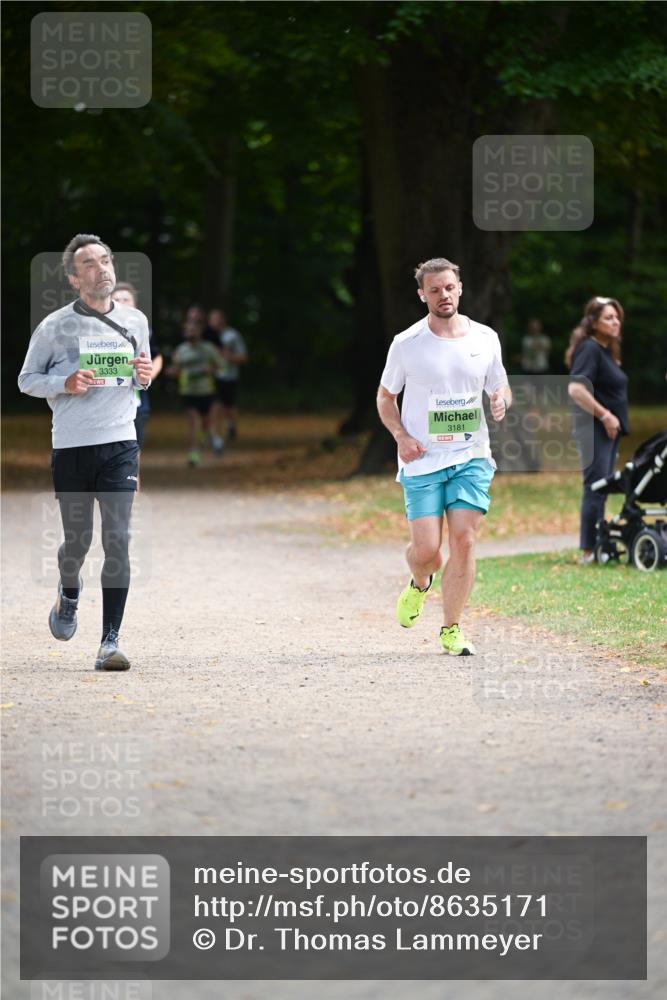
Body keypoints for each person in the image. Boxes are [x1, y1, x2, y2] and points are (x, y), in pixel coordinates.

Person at [18, 234, 152, 671]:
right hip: (72, 447)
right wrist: (65, 383)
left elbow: (138, 375)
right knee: (78, 541)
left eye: (106, 260)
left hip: (119, 442)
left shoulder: (135, 321)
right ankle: (69, 591)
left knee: (118, 539)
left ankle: (109, 642)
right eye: (90, 264)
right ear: (75, 279)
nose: (102, 268)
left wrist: (144, 376)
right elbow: (26, 379)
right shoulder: (54, 327)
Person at [377, 257, 512, 656]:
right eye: (434, 290)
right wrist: (400, 435)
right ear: (422, 295)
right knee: (427, 553)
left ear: (460, 287)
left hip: (471, 455)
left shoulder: (485, 337)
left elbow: (500, 386)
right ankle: (420, 583)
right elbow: (386, 397)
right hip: (422, 459)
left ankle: (451, 628)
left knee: (465, 540)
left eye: (449, 287)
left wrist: (501, 400)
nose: (443, 295)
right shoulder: (407, 344)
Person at [566, 296, 629, 564]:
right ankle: (588, 551)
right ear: (593, 322)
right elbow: (576, 388)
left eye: (616, 317)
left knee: (601, 486)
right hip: (594, 428)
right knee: (595, 486)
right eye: (608, 318)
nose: (615, 322)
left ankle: (598, 545)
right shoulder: (590, 349)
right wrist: (605, 415)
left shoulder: (606, 350)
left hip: (607, 431)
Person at [111, 282, 163, 451]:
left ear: (135, 304)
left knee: (132, 459)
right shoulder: (94, 329)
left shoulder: (143, 330)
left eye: (126, 299)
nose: (121, 302)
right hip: (104, 405)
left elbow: (157, 357)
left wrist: (147, 377)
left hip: (136, 403)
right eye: (116, 299)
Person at [167, 316, 225, 466]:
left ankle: (207, 435)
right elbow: (176, 368)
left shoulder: (208, 348)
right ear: (184, 333)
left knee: (206, 422)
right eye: (188, 330)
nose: (191, 332)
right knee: (193, 421)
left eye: (194, 330)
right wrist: (171, 371)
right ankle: (193, 454)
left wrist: (210, 369)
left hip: (206, 390)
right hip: (188, 391)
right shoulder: (181, 350)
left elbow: (221, 365)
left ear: (200, 332)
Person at [204, 308, 248, 441]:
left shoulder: (232, 336)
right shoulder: (206, 336)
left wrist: (227, 356)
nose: (213, 322)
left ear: (223, 320)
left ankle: (231, 424)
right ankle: (213, 434)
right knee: (214, 405)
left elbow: (244, 357)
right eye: (211, 319)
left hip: (228, 376)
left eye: (216, 319)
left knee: (228, 406)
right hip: (212, 376)